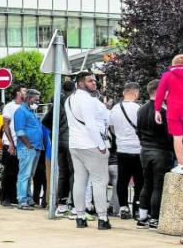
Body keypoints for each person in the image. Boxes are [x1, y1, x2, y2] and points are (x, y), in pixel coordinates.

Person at [65, 72, 112, 230]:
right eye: (90, 81)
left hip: (75, 144)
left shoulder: (70, 100)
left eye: (94, 81)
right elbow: (91, 126)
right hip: (91, 144)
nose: (94, 83)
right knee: (100, 181)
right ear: (80, 83)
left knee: (80, 180)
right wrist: (101, 145)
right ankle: (103, 218)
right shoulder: (88, 101)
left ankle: (79, 216)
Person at [136, 79, 174, 230]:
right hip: (161, 152)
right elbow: (169, 135)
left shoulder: (141, 109)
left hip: (145, 151)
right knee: (158, 186)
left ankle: (142, 217)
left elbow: (138, 131)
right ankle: (155, 219)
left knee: (147, 183)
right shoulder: (164, 111)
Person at [109, 82, 143, 220]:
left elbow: (111, 128)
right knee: (139, 181)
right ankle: (137, 208)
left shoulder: (115, 109)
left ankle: (123, 207)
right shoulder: (139, 108)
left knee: (122, 180)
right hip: (138, 149)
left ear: (124, 93)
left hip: (122, 149)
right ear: (136, 93)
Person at [42, 81, 76, 217]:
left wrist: (55, 132)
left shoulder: (57, 103)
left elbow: (45, 121)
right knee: (74, 173)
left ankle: (61, 205)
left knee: (63, 173)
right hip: (72, 140)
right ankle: (74, 206)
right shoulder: (74, 102)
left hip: (59, 142)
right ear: (74, 89)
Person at [154, 54, 183, 174]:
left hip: (173, 111)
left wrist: (157, 110)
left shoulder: (167, 75)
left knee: (177, 138)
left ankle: (180, 165)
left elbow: (160, 93)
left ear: (174, 63)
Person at [13, 89, 44, 210]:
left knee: (30, 175)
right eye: (35, 99)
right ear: (28, 98)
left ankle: (28, 198)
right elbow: (19, 131)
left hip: (35, 147)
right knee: (24, 175)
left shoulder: (31, 112)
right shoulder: (21, 111)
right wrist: (29, 145)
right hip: (27, 148)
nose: (37, 101)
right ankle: (22, 200)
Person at [0, 85, 26, 207]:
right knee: (8, 172)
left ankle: (14, 196)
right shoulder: (9, 106)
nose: (26, 93)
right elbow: (5, 126)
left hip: (21, 144)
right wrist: (10, 143)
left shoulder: (24, 107)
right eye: (24, 91)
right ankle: (5, 197)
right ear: (18, 93)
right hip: (10, 144)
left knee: (17, 171)